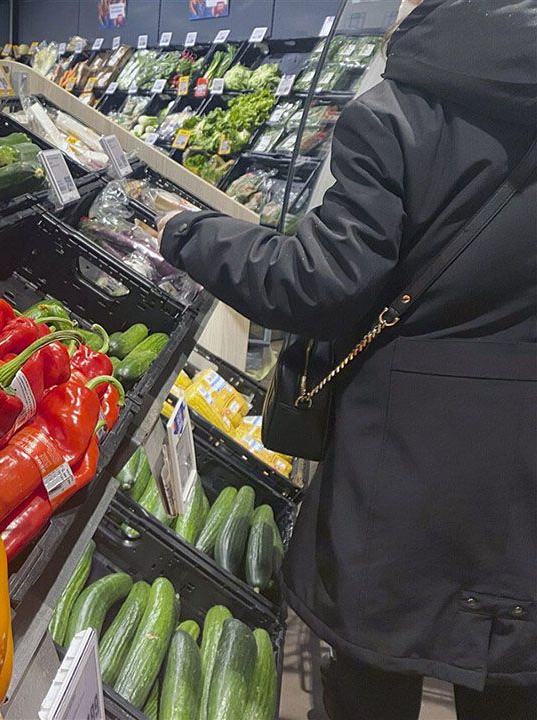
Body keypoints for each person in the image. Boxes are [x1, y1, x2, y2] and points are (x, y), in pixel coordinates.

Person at [158, 1, 536, 718]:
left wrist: (190, 232)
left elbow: (316, 282)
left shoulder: (399, 114)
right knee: (510, 686)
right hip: (521, 486)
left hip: (407, 475)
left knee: (375, 682)